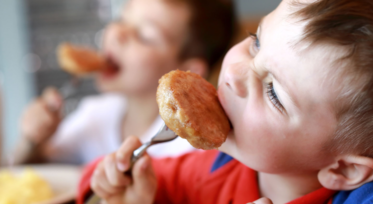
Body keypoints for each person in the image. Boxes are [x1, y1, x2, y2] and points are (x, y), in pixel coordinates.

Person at [77, 0, 373, 204]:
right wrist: (116, 188)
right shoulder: (211, 171)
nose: (232, 73)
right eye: (255, 42)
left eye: (274, 92)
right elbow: (95, 183)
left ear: (343, 169)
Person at [14, 0, 236, 164]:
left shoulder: (197, 152)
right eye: (121, 19)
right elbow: (35, 170)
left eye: (143, 34)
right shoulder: (95, 114)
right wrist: (33, 139)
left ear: (189, 71)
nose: (117, 32)